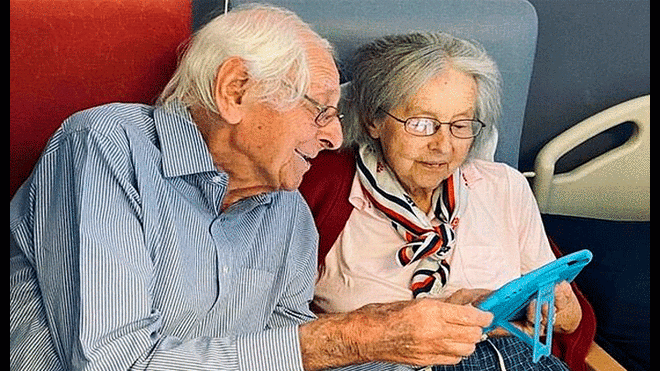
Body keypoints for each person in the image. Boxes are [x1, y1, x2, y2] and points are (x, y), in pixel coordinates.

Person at [10, 5, 493, 371]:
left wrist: (393, 327)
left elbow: (281, 349)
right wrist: (351, 337)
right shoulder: (107, 150)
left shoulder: (287, 211)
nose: (335, 137)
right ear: (235, 90)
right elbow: (114, 362)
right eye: (320, 110)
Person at [299, 32, 583, 370]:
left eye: (460, 125)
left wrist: (557, 309)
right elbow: (284, 335)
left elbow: (568, 320)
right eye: (421, 123)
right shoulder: (322, 194)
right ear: (374, 120)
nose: (443, 145)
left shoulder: (504, 187)